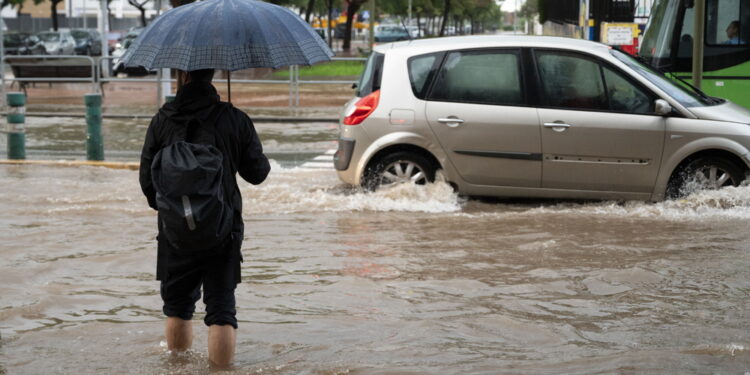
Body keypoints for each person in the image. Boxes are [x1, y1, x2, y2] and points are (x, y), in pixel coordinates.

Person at [139, 69, 270, 367]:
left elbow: (147, 183)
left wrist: (177, 213)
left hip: (174, 233)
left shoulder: (162, 119)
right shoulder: (234, 118)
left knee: (177, 307)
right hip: (223, 230)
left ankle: (177, 369)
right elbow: (258, 174)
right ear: (214, 72)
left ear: (181, 73)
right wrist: (238, 133)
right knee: (221, 309)